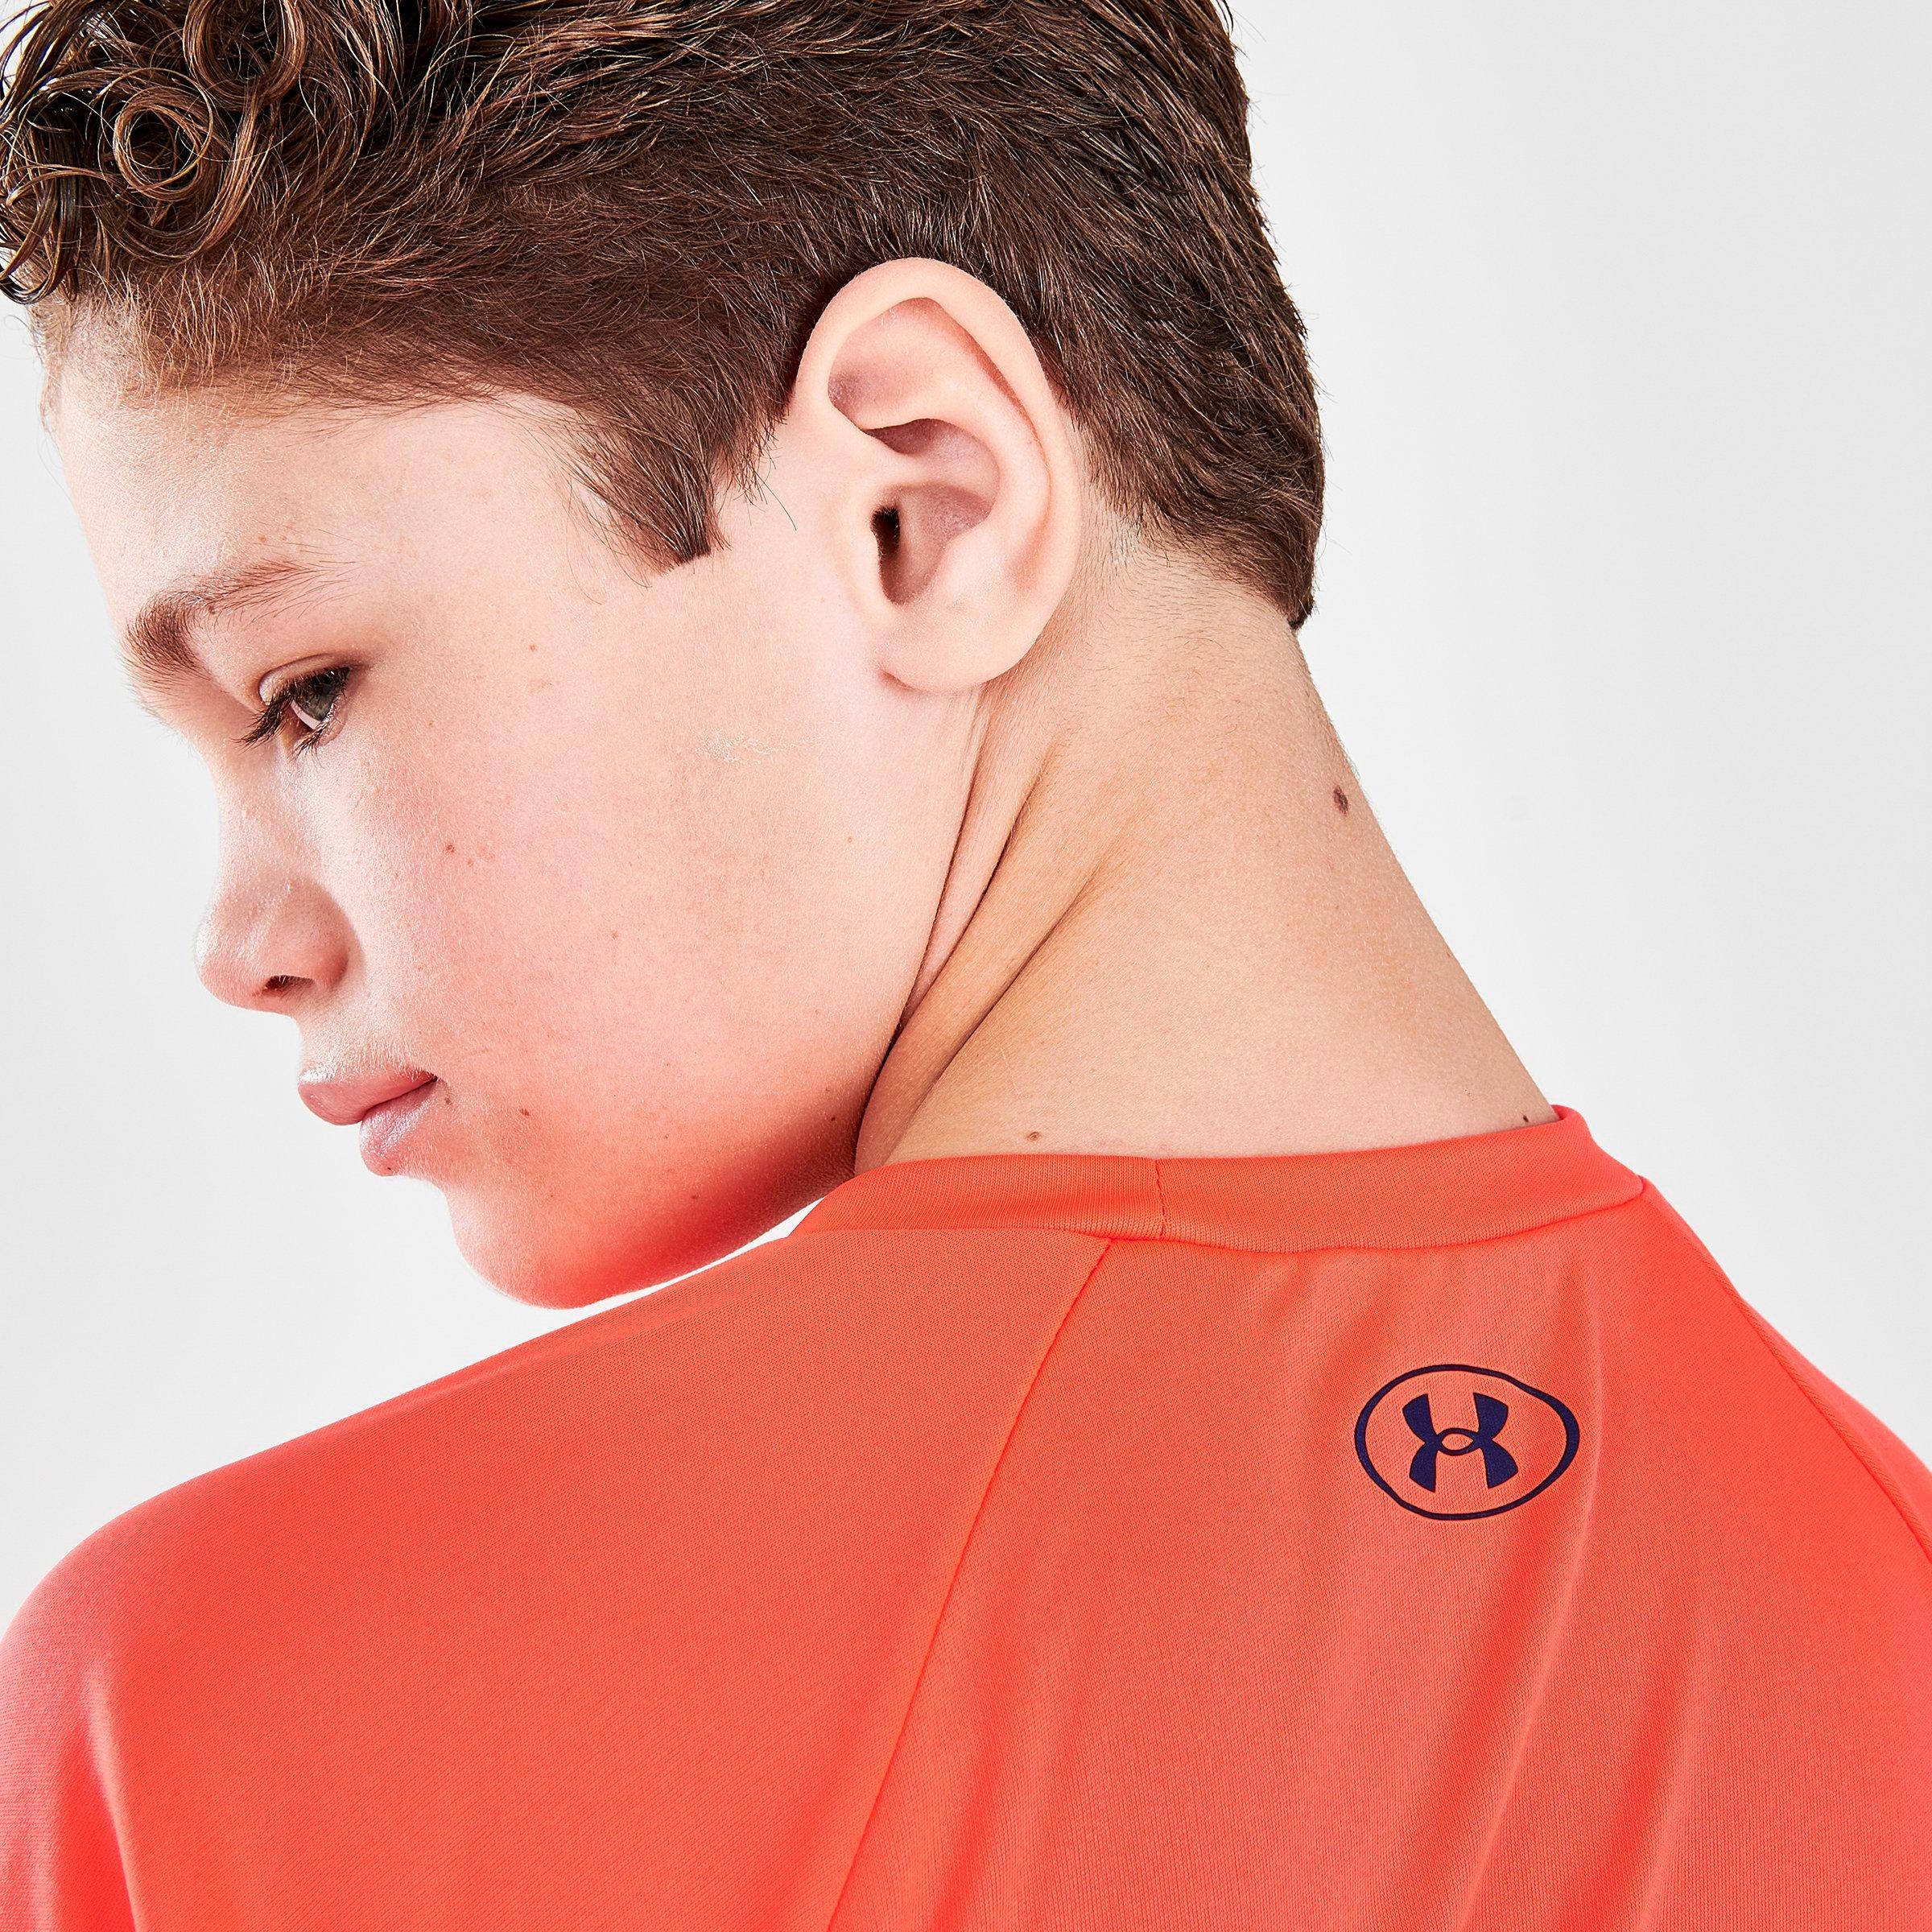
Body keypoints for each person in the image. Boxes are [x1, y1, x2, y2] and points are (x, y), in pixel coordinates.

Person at [0, 0, 1926, 1925]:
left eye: (306, 692)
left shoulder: (241, 1731)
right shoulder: (1881, 1599)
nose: (238, 945)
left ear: (919, 504)